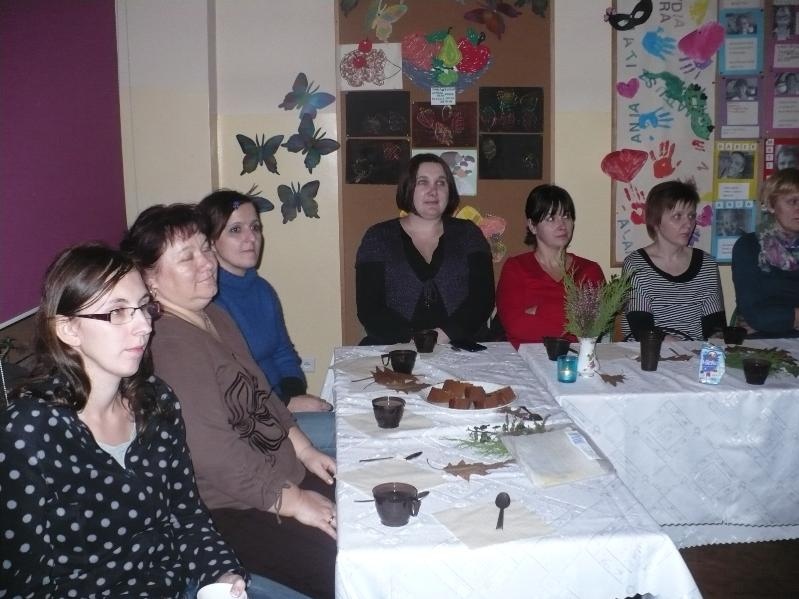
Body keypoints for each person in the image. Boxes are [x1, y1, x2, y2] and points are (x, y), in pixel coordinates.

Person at [0, 244, 248, 598]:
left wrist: (220, 572)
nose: (144, 326)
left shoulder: (156, 401)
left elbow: (187, 515)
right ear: (69, 330)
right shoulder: (30, 432)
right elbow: (23, 584)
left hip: (178, 584)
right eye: (117, 312)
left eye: (144, 307)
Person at [121, 205, 336, 599]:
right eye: (186, 257)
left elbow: (260, 391)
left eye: (206, 248)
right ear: (149, 279)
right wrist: (293, 502)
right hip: (233, 508)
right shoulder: (170, 346)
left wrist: (304, 451)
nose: (207, 263)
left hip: (277, 477)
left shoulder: (213, 315)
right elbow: (211, 454)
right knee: (342, 567)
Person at [197, 190, 335, 458]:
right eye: (235, 230)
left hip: (279, 407)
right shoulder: (209, 301)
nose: (251, 238)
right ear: (211, 242)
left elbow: (284, 353)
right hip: (249, 421)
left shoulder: (262, 289)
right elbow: (229, 386)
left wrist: (293, 396)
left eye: (255, 227)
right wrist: (287, 404)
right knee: (351, 433)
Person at [355, 153, 495, 345]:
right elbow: (369, 310)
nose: (433, 191)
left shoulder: (469, 234)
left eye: (441, 183)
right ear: (408, 187)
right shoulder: (378, 238)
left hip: (463, 346)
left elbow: (482, 300)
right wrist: (415, 340)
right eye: (423, 182)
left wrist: (442, 336)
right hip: (396, 349)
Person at [496, 184, 605, 348]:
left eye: (566, 216)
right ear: (532, 226)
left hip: (576, 358)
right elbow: (516, 327)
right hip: (525, 359)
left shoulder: (590, 270)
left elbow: (592, 328)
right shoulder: (515, 268)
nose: (562, 225)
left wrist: (540, 310)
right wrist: (572, 316)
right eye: (551, 218)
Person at [622, 180, 726, 341]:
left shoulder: (707, 264)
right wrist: (679, 348)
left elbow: (715, 326)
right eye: (677, 216)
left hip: (695, 352)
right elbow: (642, 327)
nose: (688, 224)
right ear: (656, 221)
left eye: (691, 216)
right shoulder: (636, 264)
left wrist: (715, 346)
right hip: (649, 351)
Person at [732, 168, 799, 338]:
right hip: (762, 344)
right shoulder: (749, 247)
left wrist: (779, 319)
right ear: (770, 205)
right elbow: (756, 316)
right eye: (792, 201)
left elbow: (764, 319)